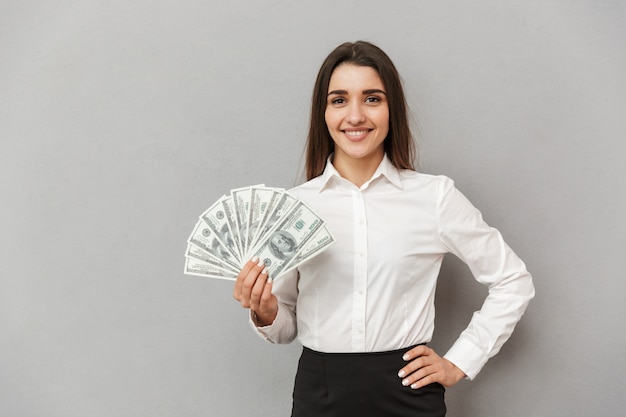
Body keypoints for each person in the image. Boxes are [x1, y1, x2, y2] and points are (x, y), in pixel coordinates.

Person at [233, 41, 534, 417]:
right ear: (323, 113)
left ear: (392, 109)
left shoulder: (433, 197)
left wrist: (459, 362)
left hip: (408, 394)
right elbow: (285, 327)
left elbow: (513, 281)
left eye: (372, 98)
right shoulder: (294, 207)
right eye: (339, 100)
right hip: (319, 393)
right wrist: (266, 311)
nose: (355, 115)